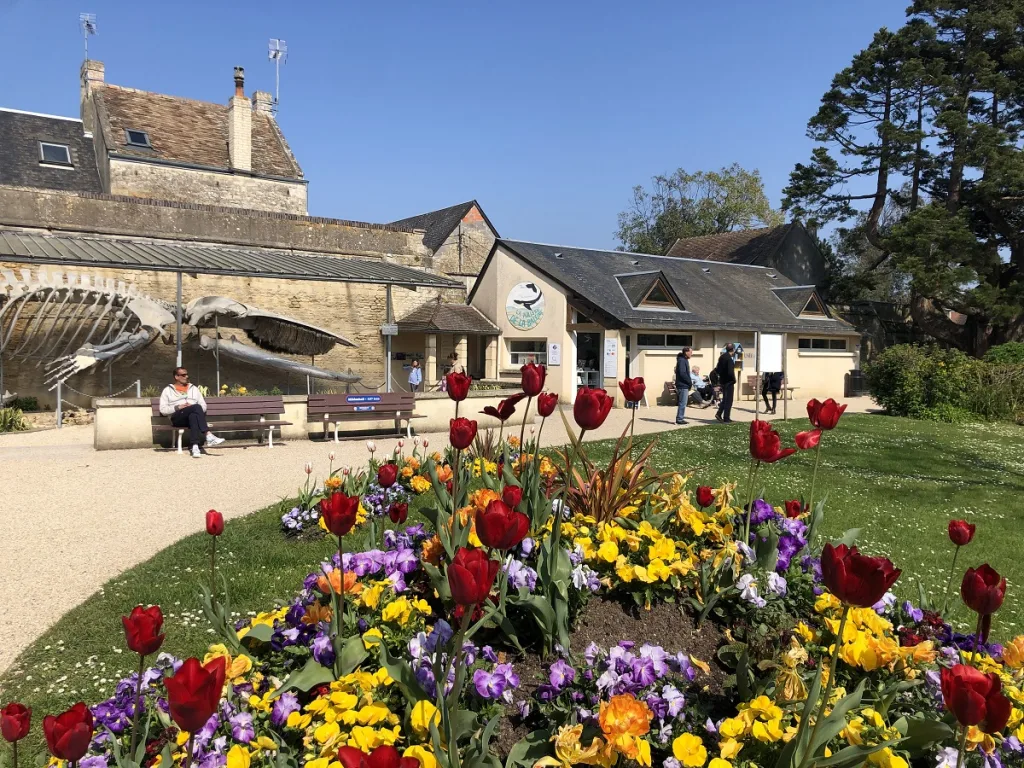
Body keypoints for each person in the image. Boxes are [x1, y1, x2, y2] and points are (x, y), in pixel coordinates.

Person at [158, 367, 224, 458]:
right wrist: (178, 407)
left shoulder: (194, 389)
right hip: (178, 418)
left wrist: (192, 408)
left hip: (192, 416)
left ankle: (195, 446)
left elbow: (203, 406)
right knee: (196, 407)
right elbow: (163, 410)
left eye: (187, 374)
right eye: (183, 375)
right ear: (176, 377)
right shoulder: (167, 390)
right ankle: (208, 434)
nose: (187, 376)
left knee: (193, 415)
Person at [715, 343, 737, 423]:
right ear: (733, 350)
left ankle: (719, 413)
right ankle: (726, 418)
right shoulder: (729, 359)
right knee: (729, 400)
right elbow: (730, 372)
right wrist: (733, 380)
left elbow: (717, 369)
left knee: (725, 399)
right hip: (729, 382)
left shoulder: (722, 357)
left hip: (723, 381)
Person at [674, 346, 693, 424]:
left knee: (683, 402)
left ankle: (680, 418)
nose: (691, 354)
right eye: (690, 352)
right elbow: (683, 373)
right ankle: (679, 419)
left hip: (684, 384)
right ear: (686, 352)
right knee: (683, 402)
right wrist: (689, 382)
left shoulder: (684, 360)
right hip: (682, 385)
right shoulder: (682, 361)